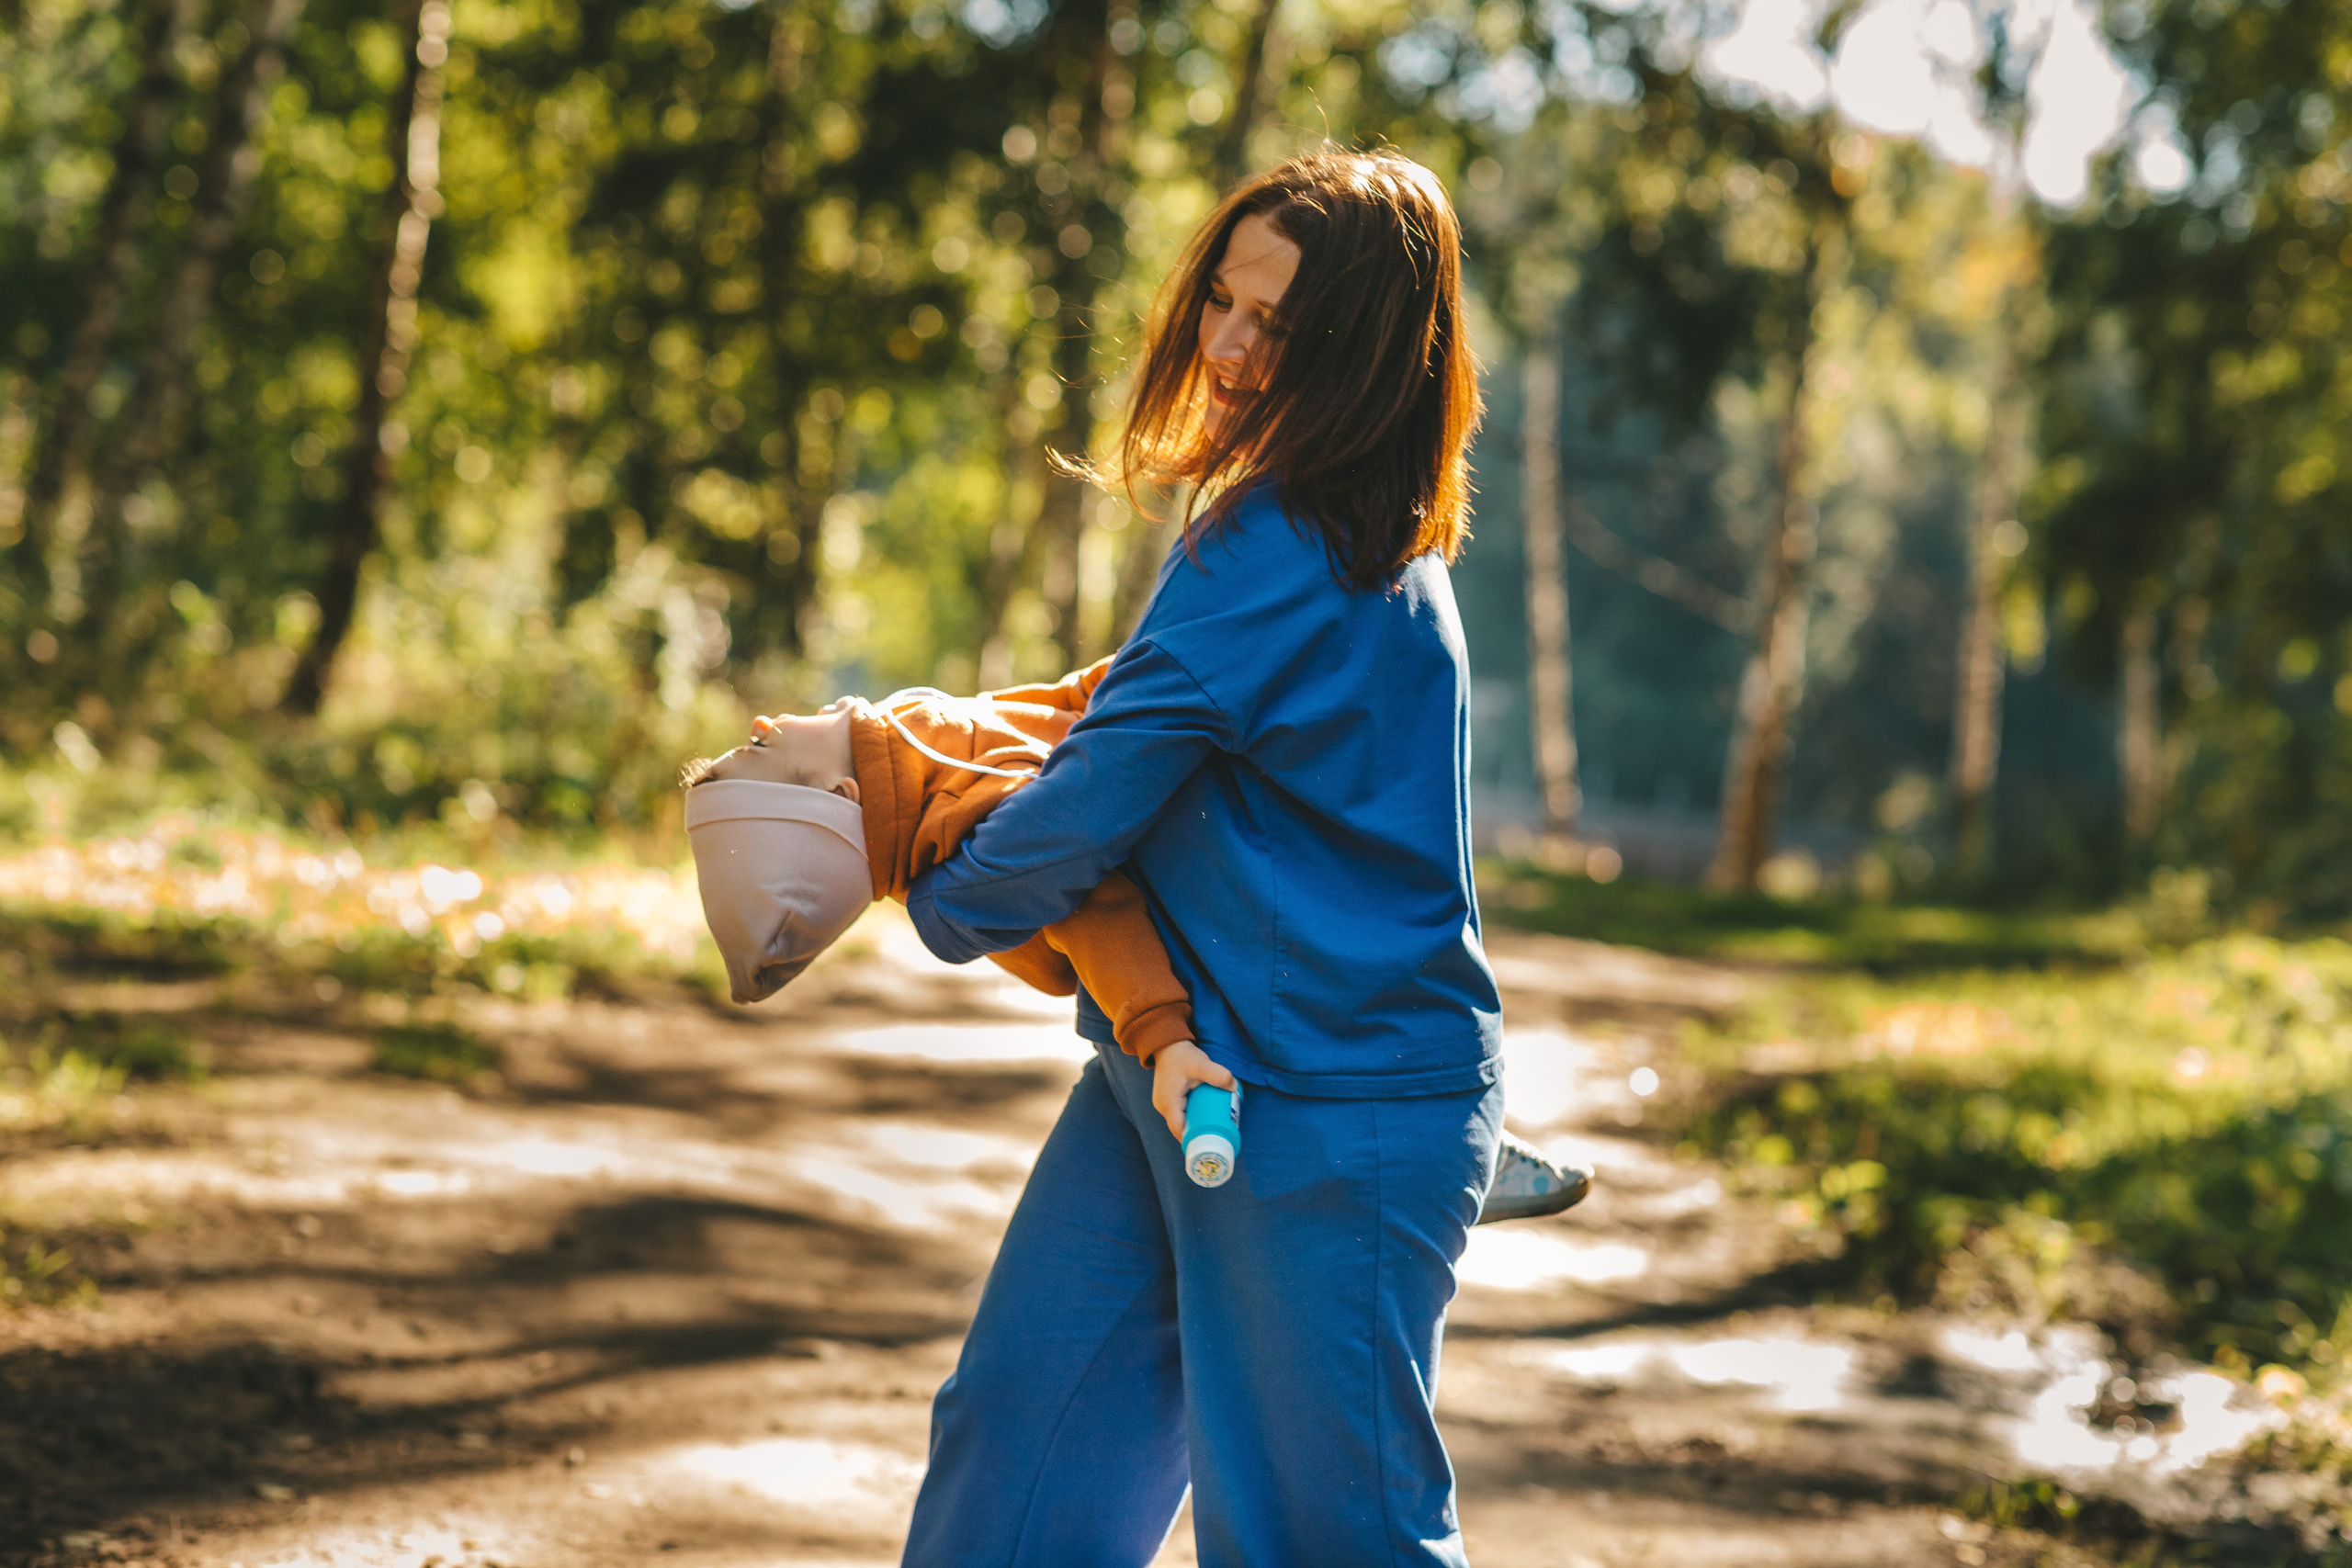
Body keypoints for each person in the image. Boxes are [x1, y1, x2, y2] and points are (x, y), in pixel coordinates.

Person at [896, 149, 1513, 1567]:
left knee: (1319, 1540)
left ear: (1365, 353)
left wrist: (921, 873)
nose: (1228, 348)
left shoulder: (1294, 542)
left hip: (1327, 1115)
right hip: (1173, 1077)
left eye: (1275, 324)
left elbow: (1089, 805)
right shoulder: (1304, 527)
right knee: (1017, 1461)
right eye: (1222, 302)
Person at [681, 673, 1592, 1224]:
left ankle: (1453, 1146)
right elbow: (1089, 902)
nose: (760, 725)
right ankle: (1457, 1156)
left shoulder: (906, 736)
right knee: (1354, 985)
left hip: (1207, 763)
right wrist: (1161, 1032)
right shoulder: (954, 805)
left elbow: (1061, 706)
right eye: (757, 755)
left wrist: (1158, 668)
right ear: (837, 794)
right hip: (1217, 852)